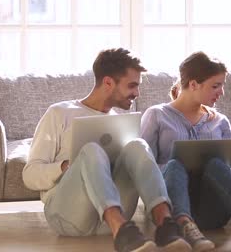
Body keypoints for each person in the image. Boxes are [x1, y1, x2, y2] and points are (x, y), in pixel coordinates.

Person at [22, 48, 191, 252]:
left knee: (138, 145)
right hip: (68, 217)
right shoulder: (59, 113)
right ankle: (121, 231)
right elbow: (29, 176)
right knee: (91, 150)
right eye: (132, 85)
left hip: (112, 220)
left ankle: (166, 227)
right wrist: (67, 166)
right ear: (108, 83)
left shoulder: (120, 123)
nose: (137, 93)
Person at [140, 51, 231, 252]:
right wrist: (182, 169)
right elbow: (144, 167)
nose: (221, 92)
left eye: (222, 85)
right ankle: (185, 226)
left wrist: (222, 174)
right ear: (193, 84)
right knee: (174, 164)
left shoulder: (220, 121)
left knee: (216, 164)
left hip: (212, 209)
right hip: (169, 209)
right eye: (216, 86)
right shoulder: (157, 115)